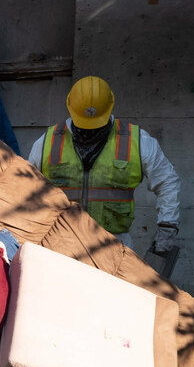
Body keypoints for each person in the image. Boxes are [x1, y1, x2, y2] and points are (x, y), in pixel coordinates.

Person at [27, 76, 181, 254]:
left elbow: (168, 182)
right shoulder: (48, 142)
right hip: (59, 245)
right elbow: (26, 190)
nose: (89, 130)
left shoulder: (137, 141)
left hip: (114, 245)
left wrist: (167, 228)